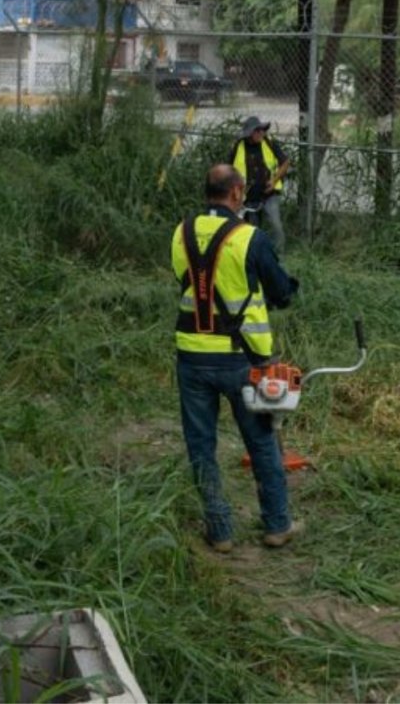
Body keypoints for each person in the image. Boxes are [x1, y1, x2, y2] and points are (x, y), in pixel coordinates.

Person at [172, 164, 301, 553]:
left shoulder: (181, 233)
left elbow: (186, 280)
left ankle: (220, 531)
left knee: (201, 446)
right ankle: (277, 525)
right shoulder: (250, 238)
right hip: (243, 359)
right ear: (236, 193)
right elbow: (281, 293)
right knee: (261, 441)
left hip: (192, 356)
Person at [228, 116, 292, 252]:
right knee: (252, 231)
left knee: (276, 225)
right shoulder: (238, 147)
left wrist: (274, 181)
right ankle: (255, 255)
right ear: (249, 133)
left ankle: (278, 254)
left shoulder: (268, 143)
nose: (261, 133)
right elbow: (229, 169)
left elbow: (285, 162)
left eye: (262, 130)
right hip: (248, 197)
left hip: (269, 193)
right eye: (257, 130)